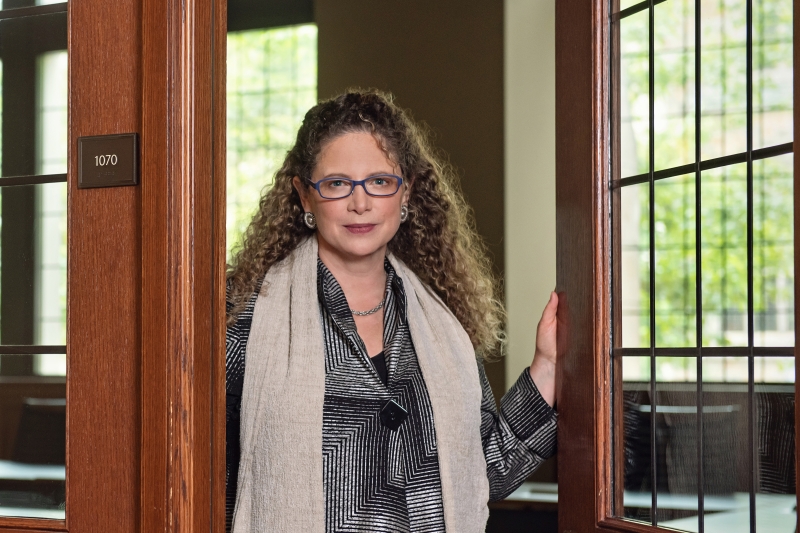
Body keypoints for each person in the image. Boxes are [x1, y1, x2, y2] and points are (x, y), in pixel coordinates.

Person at [225, 89, 558, 533]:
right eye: (337, 183)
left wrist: (549, 366)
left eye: (380, 182)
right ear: (305, 196)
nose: (360, 203)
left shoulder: (441, 321)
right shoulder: (244, 318)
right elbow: (200, 475)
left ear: (406, 193)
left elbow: (484, 471)